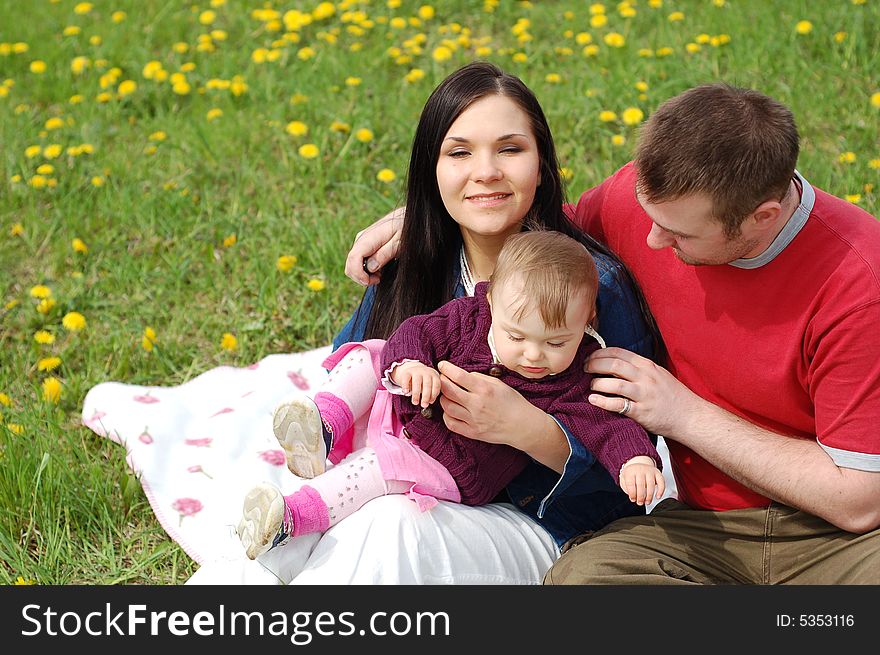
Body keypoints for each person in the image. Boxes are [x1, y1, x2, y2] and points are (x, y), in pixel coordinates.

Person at [351, 82, 880, 584]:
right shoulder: (650, 201)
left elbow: (858, 500)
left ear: (762, 218)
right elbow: (551, 243)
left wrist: (681, 412)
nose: (649, 239)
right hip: (701, 525)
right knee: (583, 581)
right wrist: (424, 216)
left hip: (838, 539)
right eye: (647, 215)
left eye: (677, 234)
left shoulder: (860, 285)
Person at [185, 61, 667, 584]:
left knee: (392, 528)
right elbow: (350, 381)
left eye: (510, 149)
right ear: (431, 169)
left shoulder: (591, 289)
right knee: (271, 547)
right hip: (401, 473)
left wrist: (528, 430)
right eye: (459, 152)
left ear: (542, 164)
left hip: (533, 521)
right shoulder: (413, 263)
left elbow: (629, 471)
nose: (485, 171)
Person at [236, 231, 663, 560]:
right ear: (492, 300)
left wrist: (636, 459)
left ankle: (288, 518)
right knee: (374, 353)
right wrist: (411, 366)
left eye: (555, 343)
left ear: (587, 321)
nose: (534, 355)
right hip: (407, 409)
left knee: (372, 469)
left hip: (452, 465)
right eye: (516, 336)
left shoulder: (571, 379)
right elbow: (416, 331)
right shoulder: (468, 317)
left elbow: (609, 428)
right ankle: (322, 426)